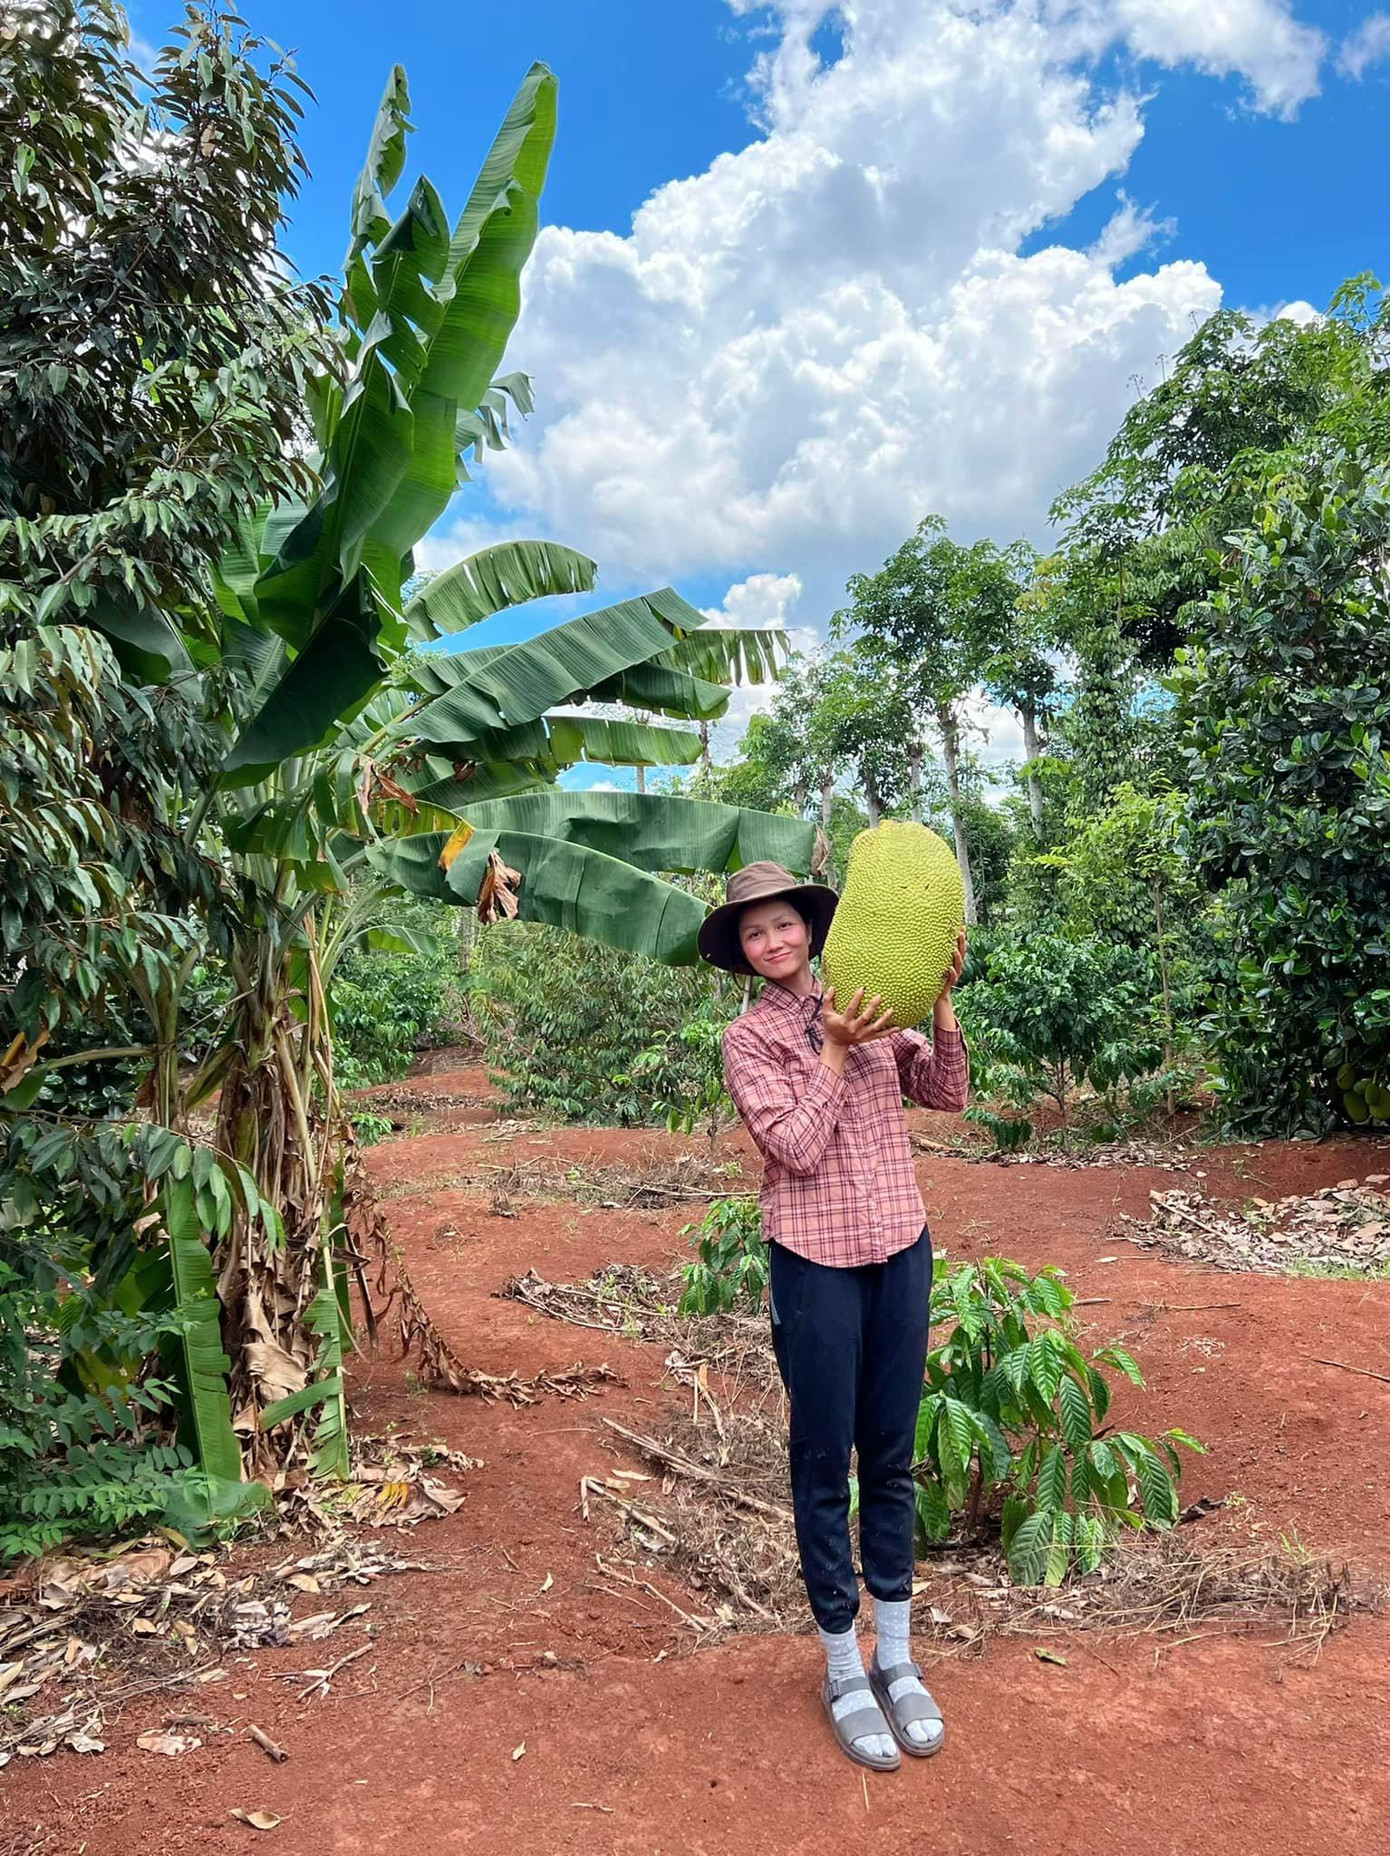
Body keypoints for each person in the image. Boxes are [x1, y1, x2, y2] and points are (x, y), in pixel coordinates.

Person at [697, 860, 969, 1774]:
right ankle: (843, 1668)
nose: (772, 942)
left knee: (890, 1457)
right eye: (753, 933)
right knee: (823, 1463)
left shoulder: (868, 998)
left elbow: (945, 1094)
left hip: (901, 1247)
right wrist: (838, 1049)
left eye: (783, 925)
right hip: (813, 1261)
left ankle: (897, 1656)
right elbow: (797, 1149)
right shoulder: (750, 1042)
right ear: (741, 952)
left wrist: (933, 1004)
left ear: (811, 928)